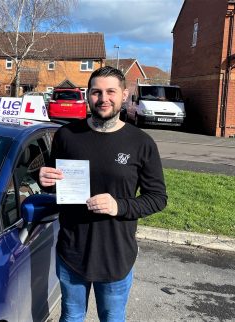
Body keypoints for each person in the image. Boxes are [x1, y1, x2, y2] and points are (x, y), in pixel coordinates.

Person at [39, 66, 167, 322]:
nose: (103, 98)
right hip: (72, 250)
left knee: (112, 317)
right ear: (88, 95)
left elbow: (157, 198)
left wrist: (118, 206)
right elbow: (57, 185)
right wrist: (44, 181)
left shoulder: (141, 143)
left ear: (124, 94)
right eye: (96, 92)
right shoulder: (67, 136)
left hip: (115, 253)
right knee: (72, 315)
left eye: (111, 91)